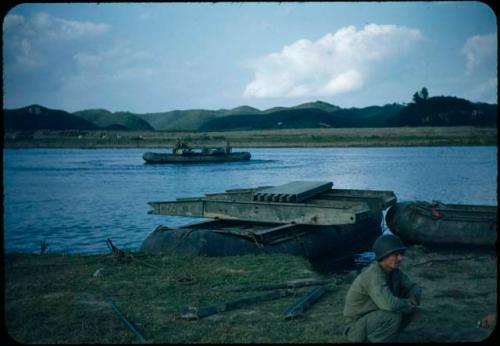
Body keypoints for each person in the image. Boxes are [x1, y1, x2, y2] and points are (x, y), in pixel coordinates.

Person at [343, 233, 422, 343]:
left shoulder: (394, 272)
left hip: (374, 317)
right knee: (393, 315)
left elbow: (414, 287)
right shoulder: (373, 275)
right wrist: (409, 303)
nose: (401, 258)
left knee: (409, 311)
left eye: (401, 254)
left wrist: (413, 297)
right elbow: (389, 304)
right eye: (396, 254)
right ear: (384, 256)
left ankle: (384, 336)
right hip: (356, 327)